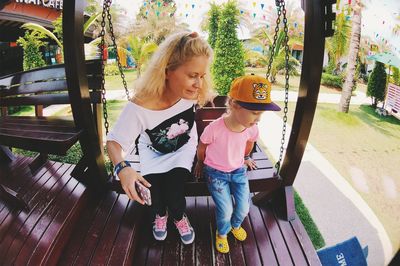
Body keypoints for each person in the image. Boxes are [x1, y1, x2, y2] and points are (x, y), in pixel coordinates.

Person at [106, 31, 214, 245]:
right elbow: (113, 143)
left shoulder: (190, 94)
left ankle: (178, 216)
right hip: (152, 152)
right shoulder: (141, 105)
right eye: (193, 75)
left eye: (201, 76)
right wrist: (123, 168)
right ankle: (160, 215)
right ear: (167, 71)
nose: (199, 84)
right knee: (155, 197)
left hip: (183, 148)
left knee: (174, 193)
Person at [195, 74, 281, 253]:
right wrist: (200, 163)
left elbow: (249, 143)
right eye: (255, 113)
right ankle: (222, 233)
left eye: (261, 114)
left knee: (243, 207)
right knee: (225, 209)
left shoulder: (251, 128)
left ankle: (235, 225)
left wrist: (246, 158)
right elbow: (202, 146)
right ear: (234, 105)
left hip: (238, 171)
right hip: (215, 173)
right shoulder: (214, 128)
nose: (258, 118)